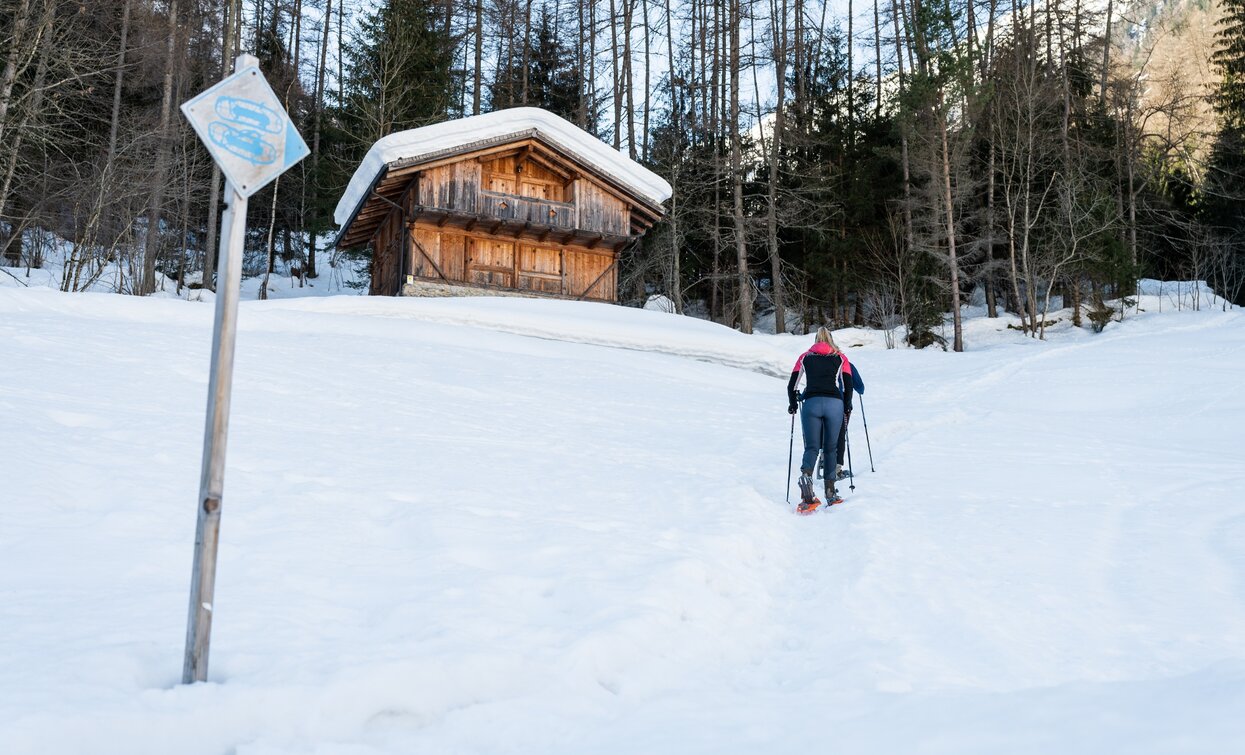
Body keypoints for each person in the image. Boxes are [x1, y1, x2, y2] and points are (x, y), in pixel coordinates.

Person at [787, 326, 854, 510]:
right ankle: (831, 493)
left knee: (812, 447)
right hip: (834, 405)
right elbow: (848, 385)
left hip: (812, 404)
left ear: (816, 339)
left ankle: (806, 477)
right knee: (831, 449)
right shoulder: (840, 357)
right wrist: (847, 405)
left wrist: (793, 404)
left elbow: (791, 385)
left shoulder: (805, 357)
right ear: (830, 339)